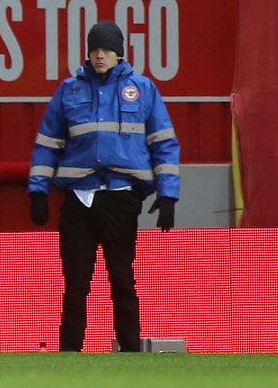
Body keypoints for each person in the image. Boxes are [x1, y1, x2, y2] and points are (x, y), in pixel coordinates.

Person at [28, 20, 181, 353]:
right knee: (76, 283)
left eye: (107, 50)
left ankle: (130, 352)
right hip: (79, 199)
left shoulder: (143, 90)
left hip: (120, 197)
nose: (100, 56)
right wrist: (38, 190)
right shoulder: (69, 90)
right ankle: (69, 353)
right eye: (95, 50)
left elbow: (164, 143)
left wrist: (168, 194)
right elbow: (47, 144)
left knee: (123, 279)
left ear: (119, 53)